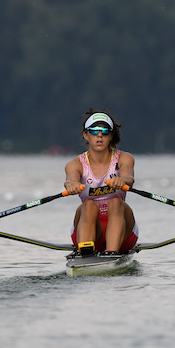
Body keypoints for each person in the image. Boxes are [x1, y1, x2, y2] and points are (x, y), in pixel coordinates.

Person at [64, 110, 138, 256]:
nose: (99, 135)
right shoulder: (75, 163)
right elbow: (70, 179)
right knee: (88, 205)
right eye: (94, 131)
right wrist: (71, 185)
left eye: (104, 131)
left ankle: (111, 252)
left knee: (116, 202)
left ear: (111, 136)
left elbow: (129, 177)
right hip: (89, 226)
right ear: (86, 135)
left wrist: (122, 180)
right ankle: (85, 250)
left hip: (122, 231)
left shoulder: (124, 158)